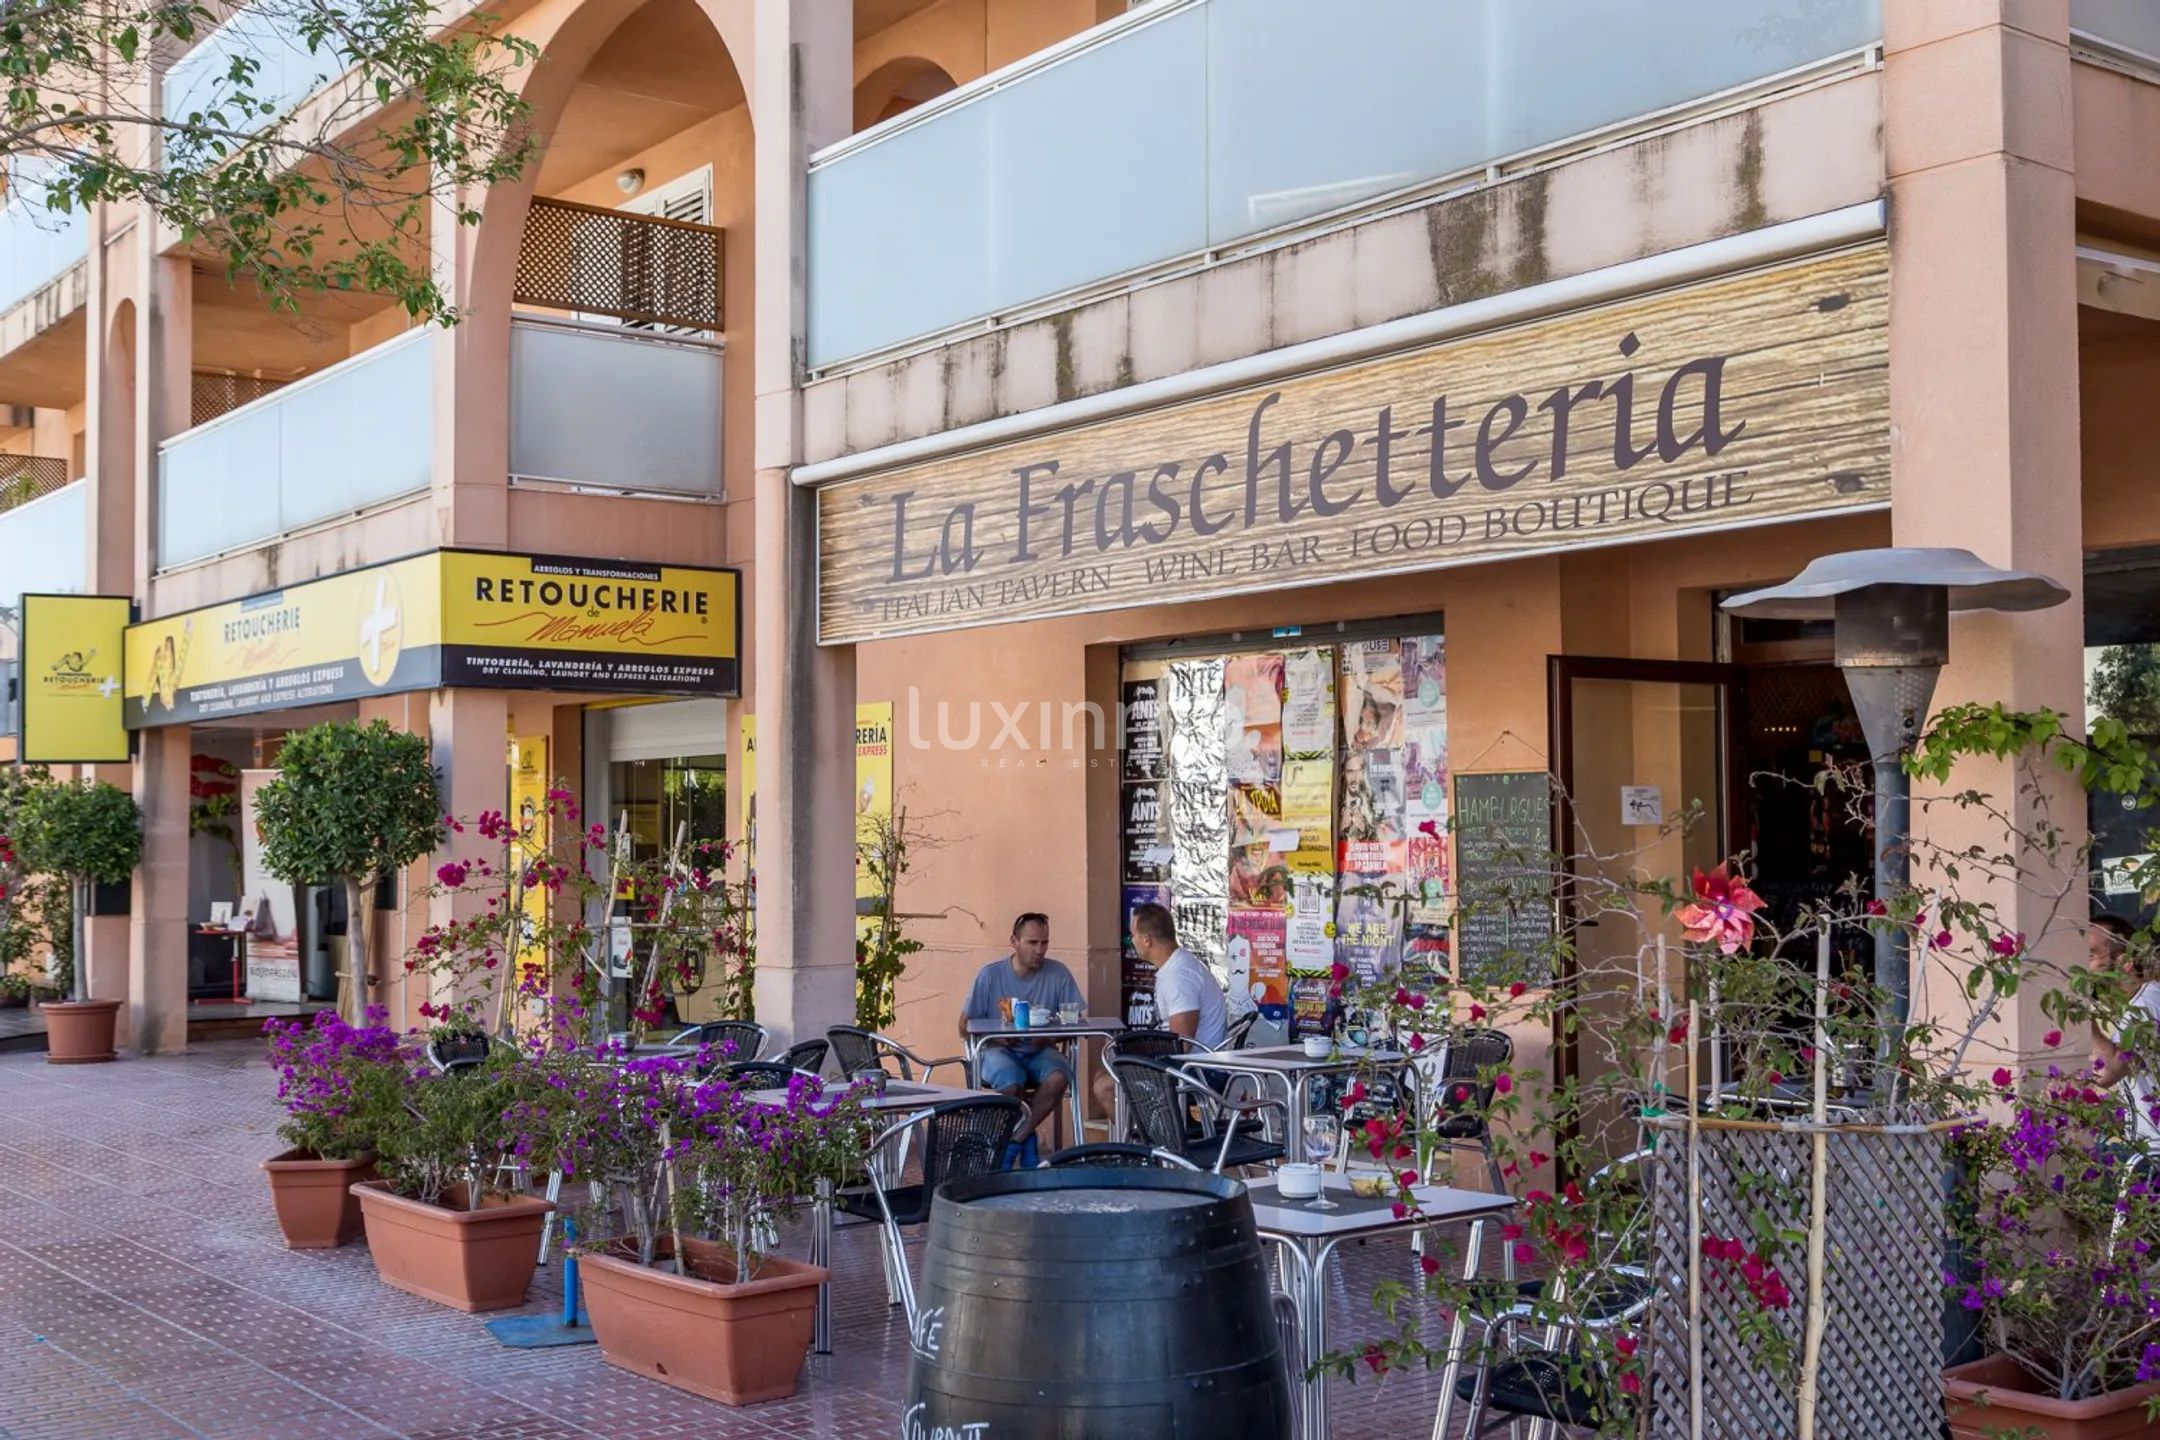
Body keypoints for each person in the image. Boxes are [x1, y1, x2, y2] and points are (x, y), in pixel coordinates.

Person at [959, 912, 1084, 1168]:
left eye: (1044, 943)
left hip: (1040, 1050)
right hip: (996, 1049)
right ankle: (1024, 1141)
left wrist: (1049, 1036)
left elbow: (1075, 1020)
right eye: (1032, 942)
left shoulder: (1058, 973)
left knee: (1060, 1076)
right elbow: (964, 1026)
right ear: (1014, 942)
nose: (1039, 950)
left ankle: (1016, 1139)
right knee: (1011, 1079)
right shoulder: (990, 976)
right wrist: (997, 1039)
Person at [2089, 914, 2160, 1156]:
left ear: (2126, 962)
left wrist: (2083, 1015)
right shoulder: (2146, 1000)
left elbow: (2107, 1073)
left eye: (2091, 955)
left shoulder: (2144, 1005)